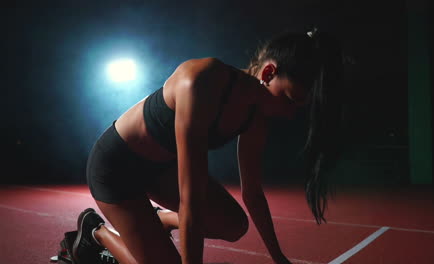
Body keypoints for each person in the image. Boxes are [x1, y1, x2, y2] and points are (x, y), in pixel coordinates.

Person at [71, 27, 345, 264]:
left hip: (159, 169)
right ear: (269, 72)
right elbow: (191, 197)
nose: (289, 114)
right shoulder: (201, 80)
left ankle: (159, 219)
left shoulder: (256, 117)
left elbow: (252, 193)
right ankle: (97, 233)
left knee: (234, 224)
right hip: (116, 168)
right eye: (289, 100)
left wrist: (279, 258)